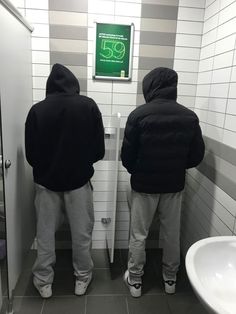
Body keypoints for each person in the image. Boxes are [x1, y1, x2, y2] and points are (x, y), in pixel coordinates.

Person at [121, 67, 205, 298]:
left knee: (139, 234)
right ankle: (170, 279)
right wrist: (177, 167)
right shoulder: (189, 116)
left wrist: (138, 171)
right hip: (173, 186)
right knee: (171, 233)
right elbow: (196, 156)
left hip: (144, 186)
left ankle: (136, 281)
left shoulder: (138, 115)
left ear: (150, 87)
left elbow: (127, 157)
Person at [25, 63, 105, 298]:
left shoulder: (37, 110)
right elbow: (98, 150)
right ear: (74, 84)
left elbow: (31, 155)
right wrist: (80, 163)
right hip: (79, 182)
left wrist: (48, 167)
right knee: (82, 235)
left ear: (50, 85)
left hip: (46, 184)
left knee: (45, 235)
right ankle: (82, 278)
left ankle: (43, 282)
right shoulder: (88, 106)